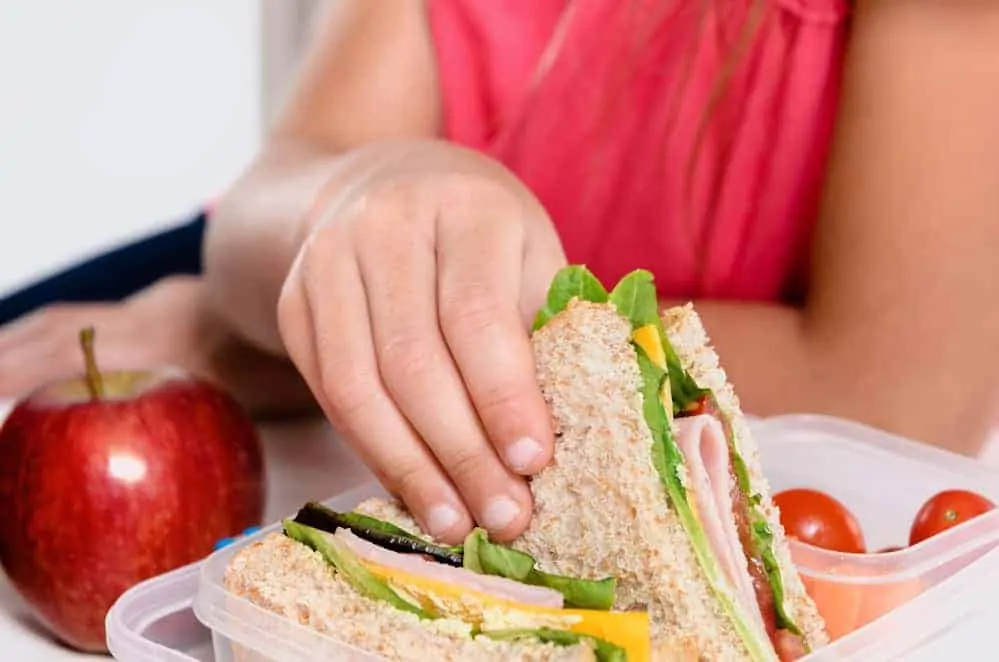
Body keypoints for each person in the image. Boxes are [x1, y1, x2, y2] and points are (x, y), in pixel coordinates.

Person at [3, 1, 998, 546]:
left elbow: (892, 391)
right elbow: (285, 175)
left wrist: (279, 348)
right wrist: (353, 193)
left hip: (400, 337)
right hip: (310, 283)